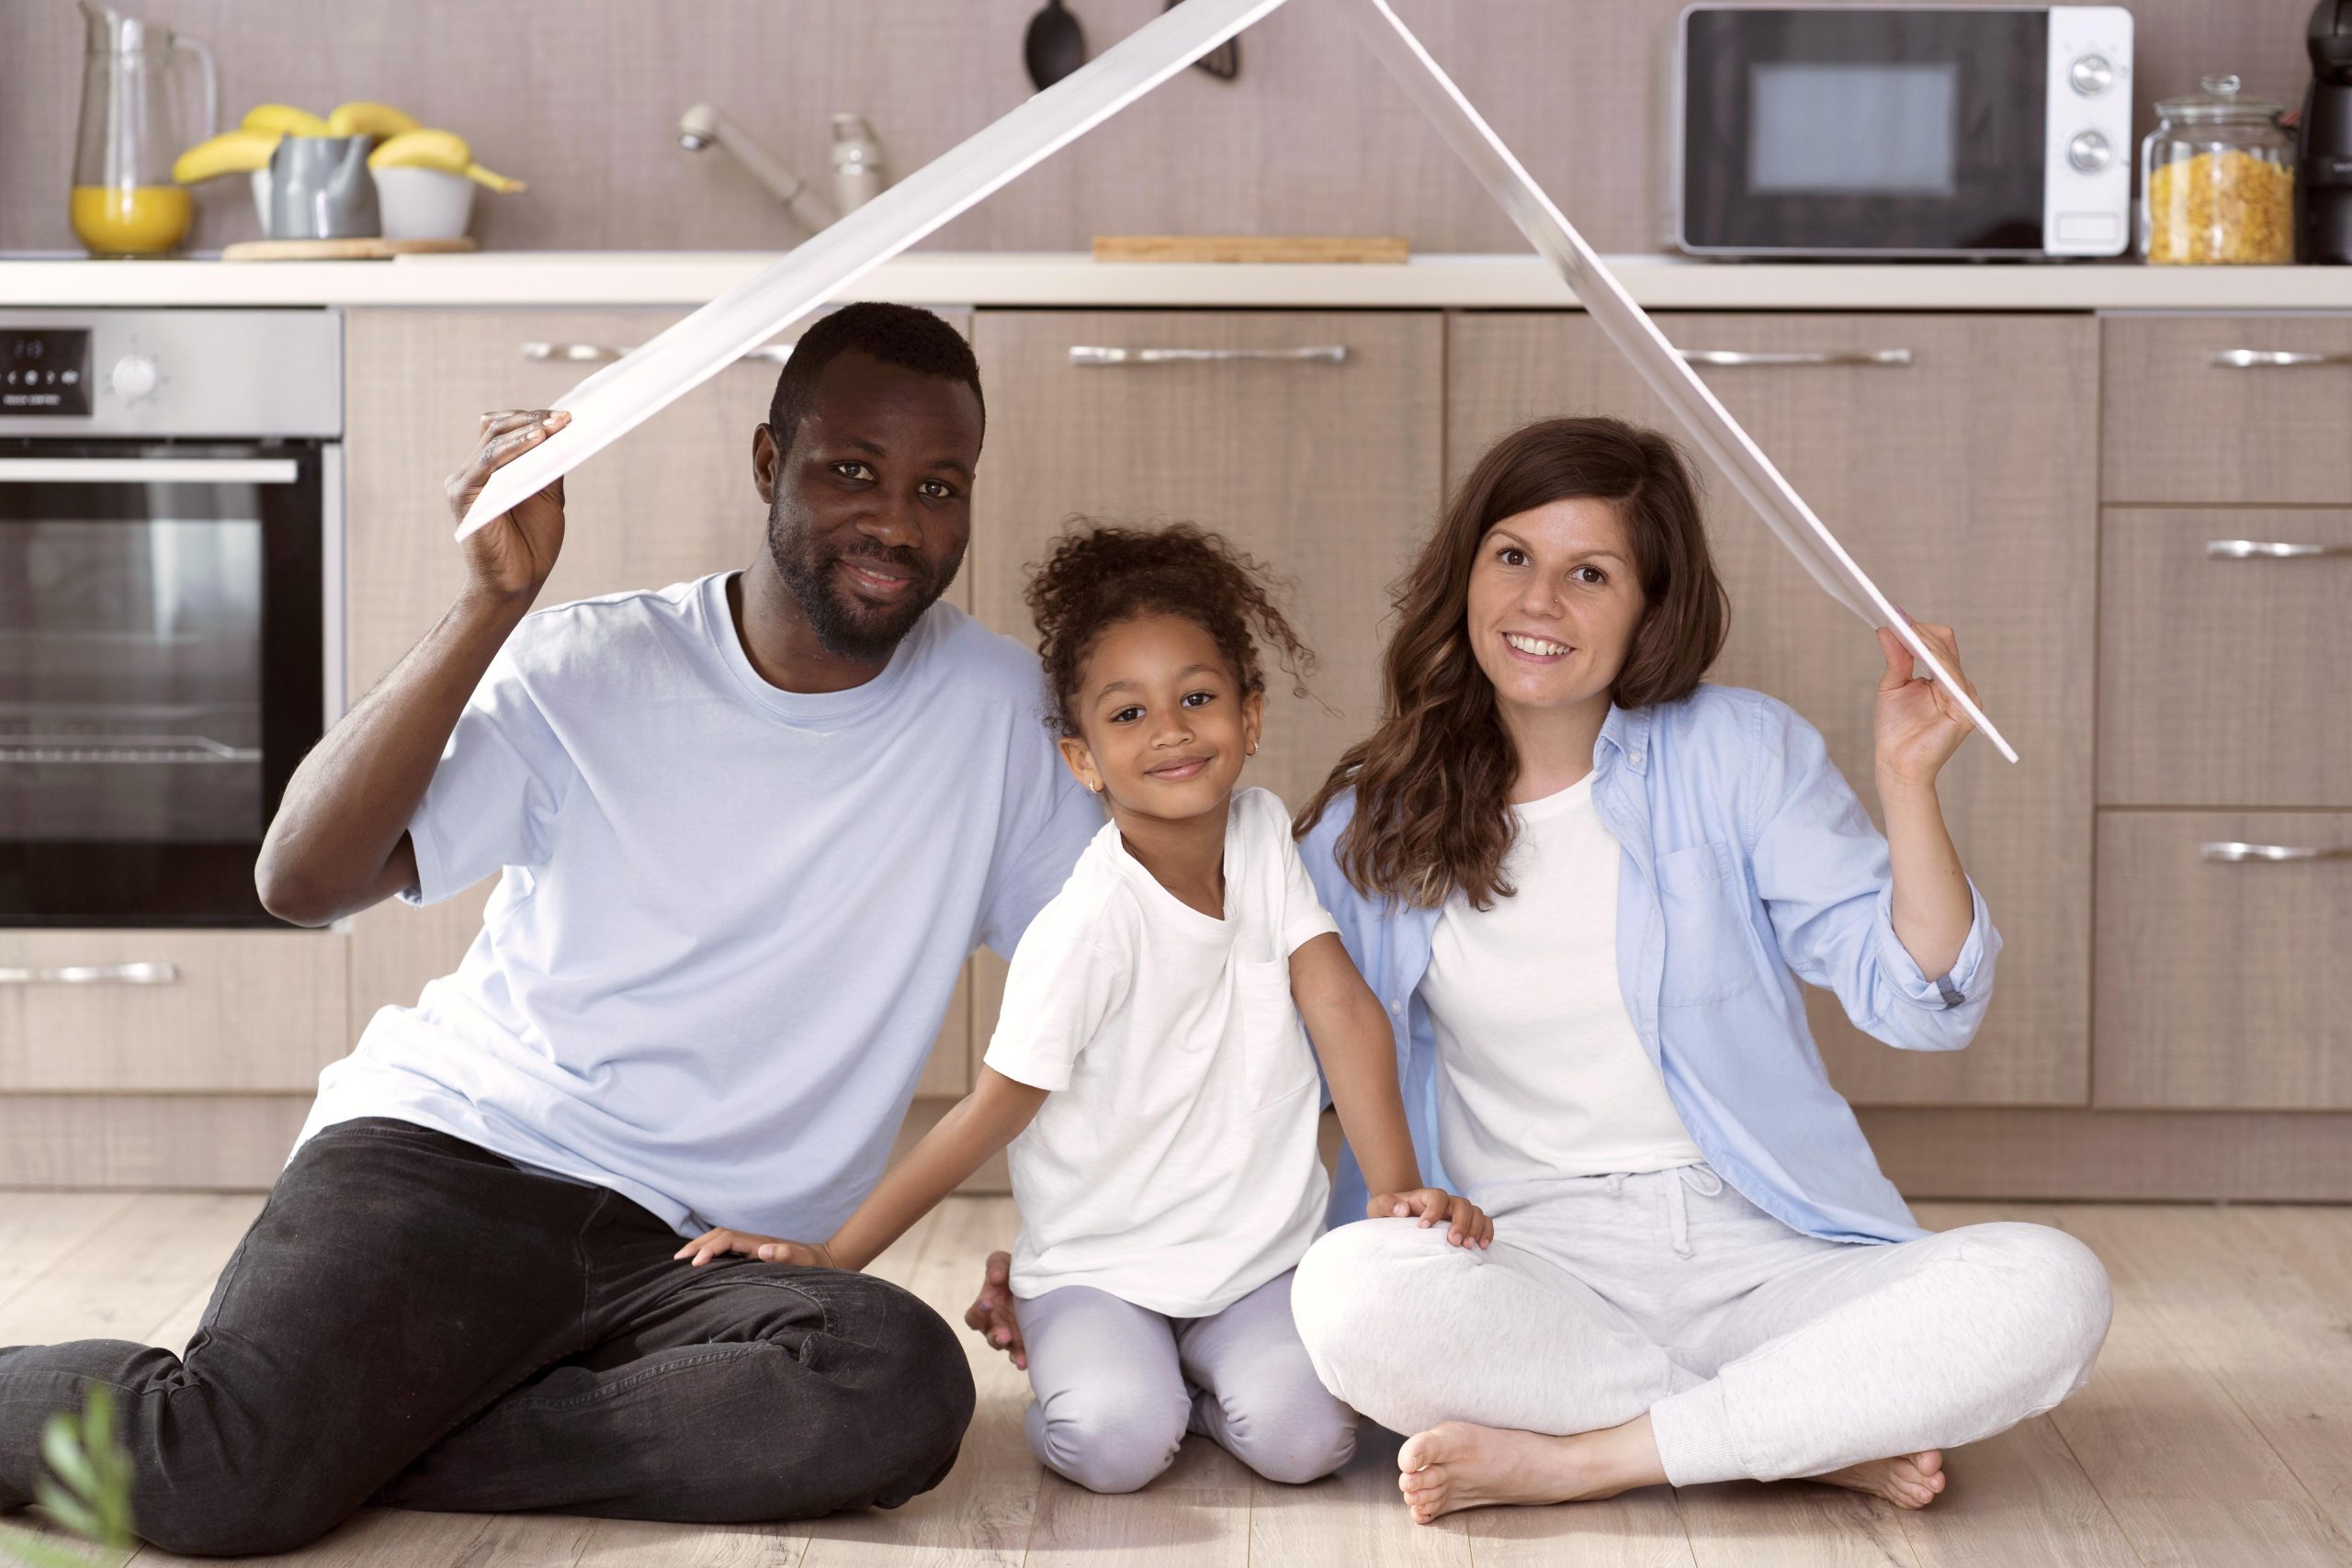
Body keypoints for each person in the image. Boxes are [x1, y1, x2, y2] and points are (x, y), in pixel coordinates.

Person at [0, 303, 1103, 1556]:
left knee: (895, 1379)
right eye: (852, 469)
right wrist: (489, 606)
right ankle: (296, 1431)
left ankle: (361, 1431)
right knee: (222, 1476)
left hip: (706, 1262)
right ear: (767, 462)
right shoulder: (593, 662)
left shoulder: (1003, 715)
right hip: (457, 1158)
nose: (898, 521)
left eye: (938, 485)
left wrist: (1083, 1242)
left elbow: (1110, 994)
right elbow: (301, 877)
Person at [1274, 416, 2112, 1522]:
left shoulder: (1739, 752)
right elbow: (1250, 1051)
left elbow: (1921, 1005)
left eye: (1590, 574)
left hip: (1762, 1252)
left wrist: (1910, 781)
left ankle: (1592, 1455)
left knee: (2052, 1283)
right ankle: (1799, 1431)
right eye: (1513, 556)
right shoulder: (1368, 821)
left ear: (1649, 609)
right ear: (1465, 571)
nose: (1538, 603)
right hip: (1523, 1260)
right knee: (1347, 1296)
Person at [684, 524, 1490, 1496]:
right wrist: (832, 1257)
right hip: (1099, 1268)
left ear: (1251, 714)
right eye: (1128, 714)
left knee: (1308, 1442)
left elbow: (1340, 1004)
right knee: (1113, 1447)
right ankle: (1091, 1344)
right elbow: (987, 1112)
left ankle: (1193, 1373)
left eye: (1196, 698)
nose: (1171, 731)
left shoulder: (1262, 832)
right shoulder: (1088, 927)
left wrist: (1395, 1195)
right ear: (1082, 760)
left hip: (1254, 1259)